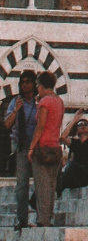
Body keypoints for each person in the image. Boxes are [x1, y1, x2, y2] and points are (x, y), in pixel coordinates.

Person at [28, 70, 64, 228]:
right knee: (51, 185)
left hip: (42, 147)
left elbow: (40, 126)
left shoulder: (45, 102)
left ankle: (43, 219)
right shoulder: (59, 101)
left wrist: (31, 147)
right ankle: (48, 217)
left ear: (41, 86)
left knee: (41, 185)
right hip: (55, 147)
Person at [4, 70, 38, 229]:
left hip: (37, 145)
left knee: (40, 182)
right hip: (22, 146)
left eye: (28, 81)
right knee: (22, 184)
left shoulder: (39, 102)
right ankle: (22, 220)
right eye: (22, 82)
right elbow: (7, 125)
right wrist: (16, 110)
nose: (25, 85)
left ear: (34, 83)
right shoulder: (15, 102)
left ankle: (41, 216)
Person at [56, 118, 88, 205]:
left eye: (85, 125)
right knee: (56, 176)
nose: (82, 126)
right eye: (79, 125)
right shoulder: (74, 142)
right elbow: (62, 137)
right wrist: (75, 118)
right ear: (76, 131)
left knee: (71, 164)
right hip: (76, 177)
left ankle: (58, 192)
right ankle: (34, 202)